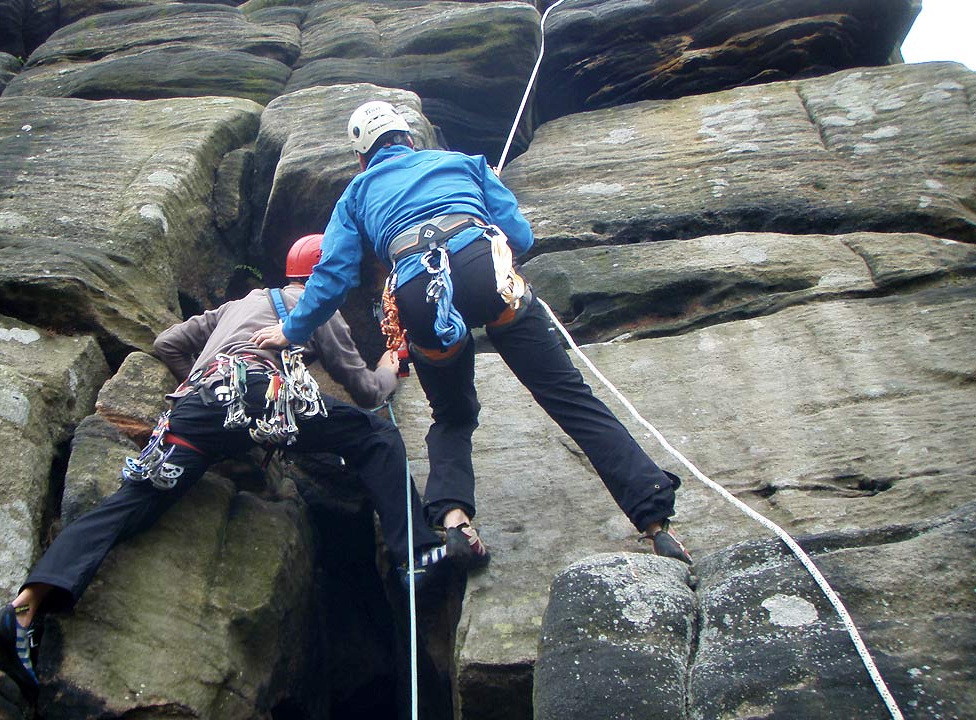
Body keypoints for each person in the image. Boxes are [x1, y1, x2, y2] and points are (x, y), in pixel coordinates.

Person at [0, 233, 454, 703]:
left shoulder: (238, 304)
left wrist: (202, 383)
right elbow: (369, 393)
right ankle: (415, 553)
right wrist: (390, 366)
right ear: (323, 273)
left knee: (133, 504)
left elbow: (167, 342)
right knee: (375, 436)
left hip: (194, 411)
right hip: (258, 395)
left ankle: (25, 607)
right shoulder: (316, 305)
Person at [252, 100, 692, 571]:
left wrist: (289, 330)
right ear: (411, 140)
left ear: (362, 157)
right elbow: (520, 238)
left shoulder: (356, 194)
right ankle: (654, 522)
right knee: (568, 396)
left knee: (453, 415)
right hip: (486, 270)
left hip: (420, 291)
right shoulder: (464, 163)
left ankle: (456, 520)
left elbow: (332, 275)